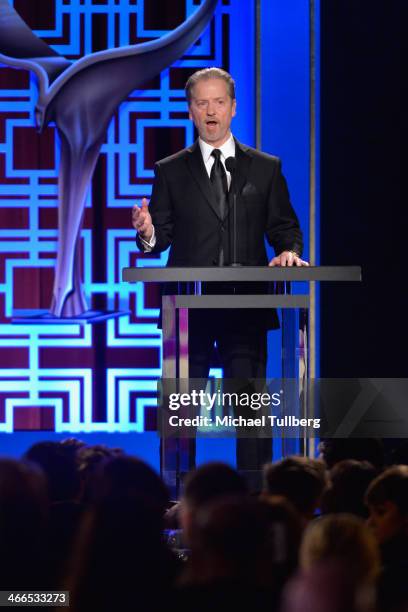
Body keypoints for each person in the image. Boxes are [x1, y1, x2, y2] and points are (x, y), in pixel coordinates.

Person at [132, 67, 308, 483]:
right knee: (180, 410)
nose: (211, 111)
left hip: (245, 306)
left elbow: (284, 227)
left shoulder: (264, 168)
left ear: (232, 108)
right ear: (191, 112)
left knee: (250, 409)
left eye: (219, 102)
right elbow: (161, 238)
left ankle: (259, 499)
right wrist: (147, 230)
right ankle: (179, 500)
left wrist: (287, 251)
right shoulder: (171, 170)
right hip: (187, 310)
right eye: (201, 103)